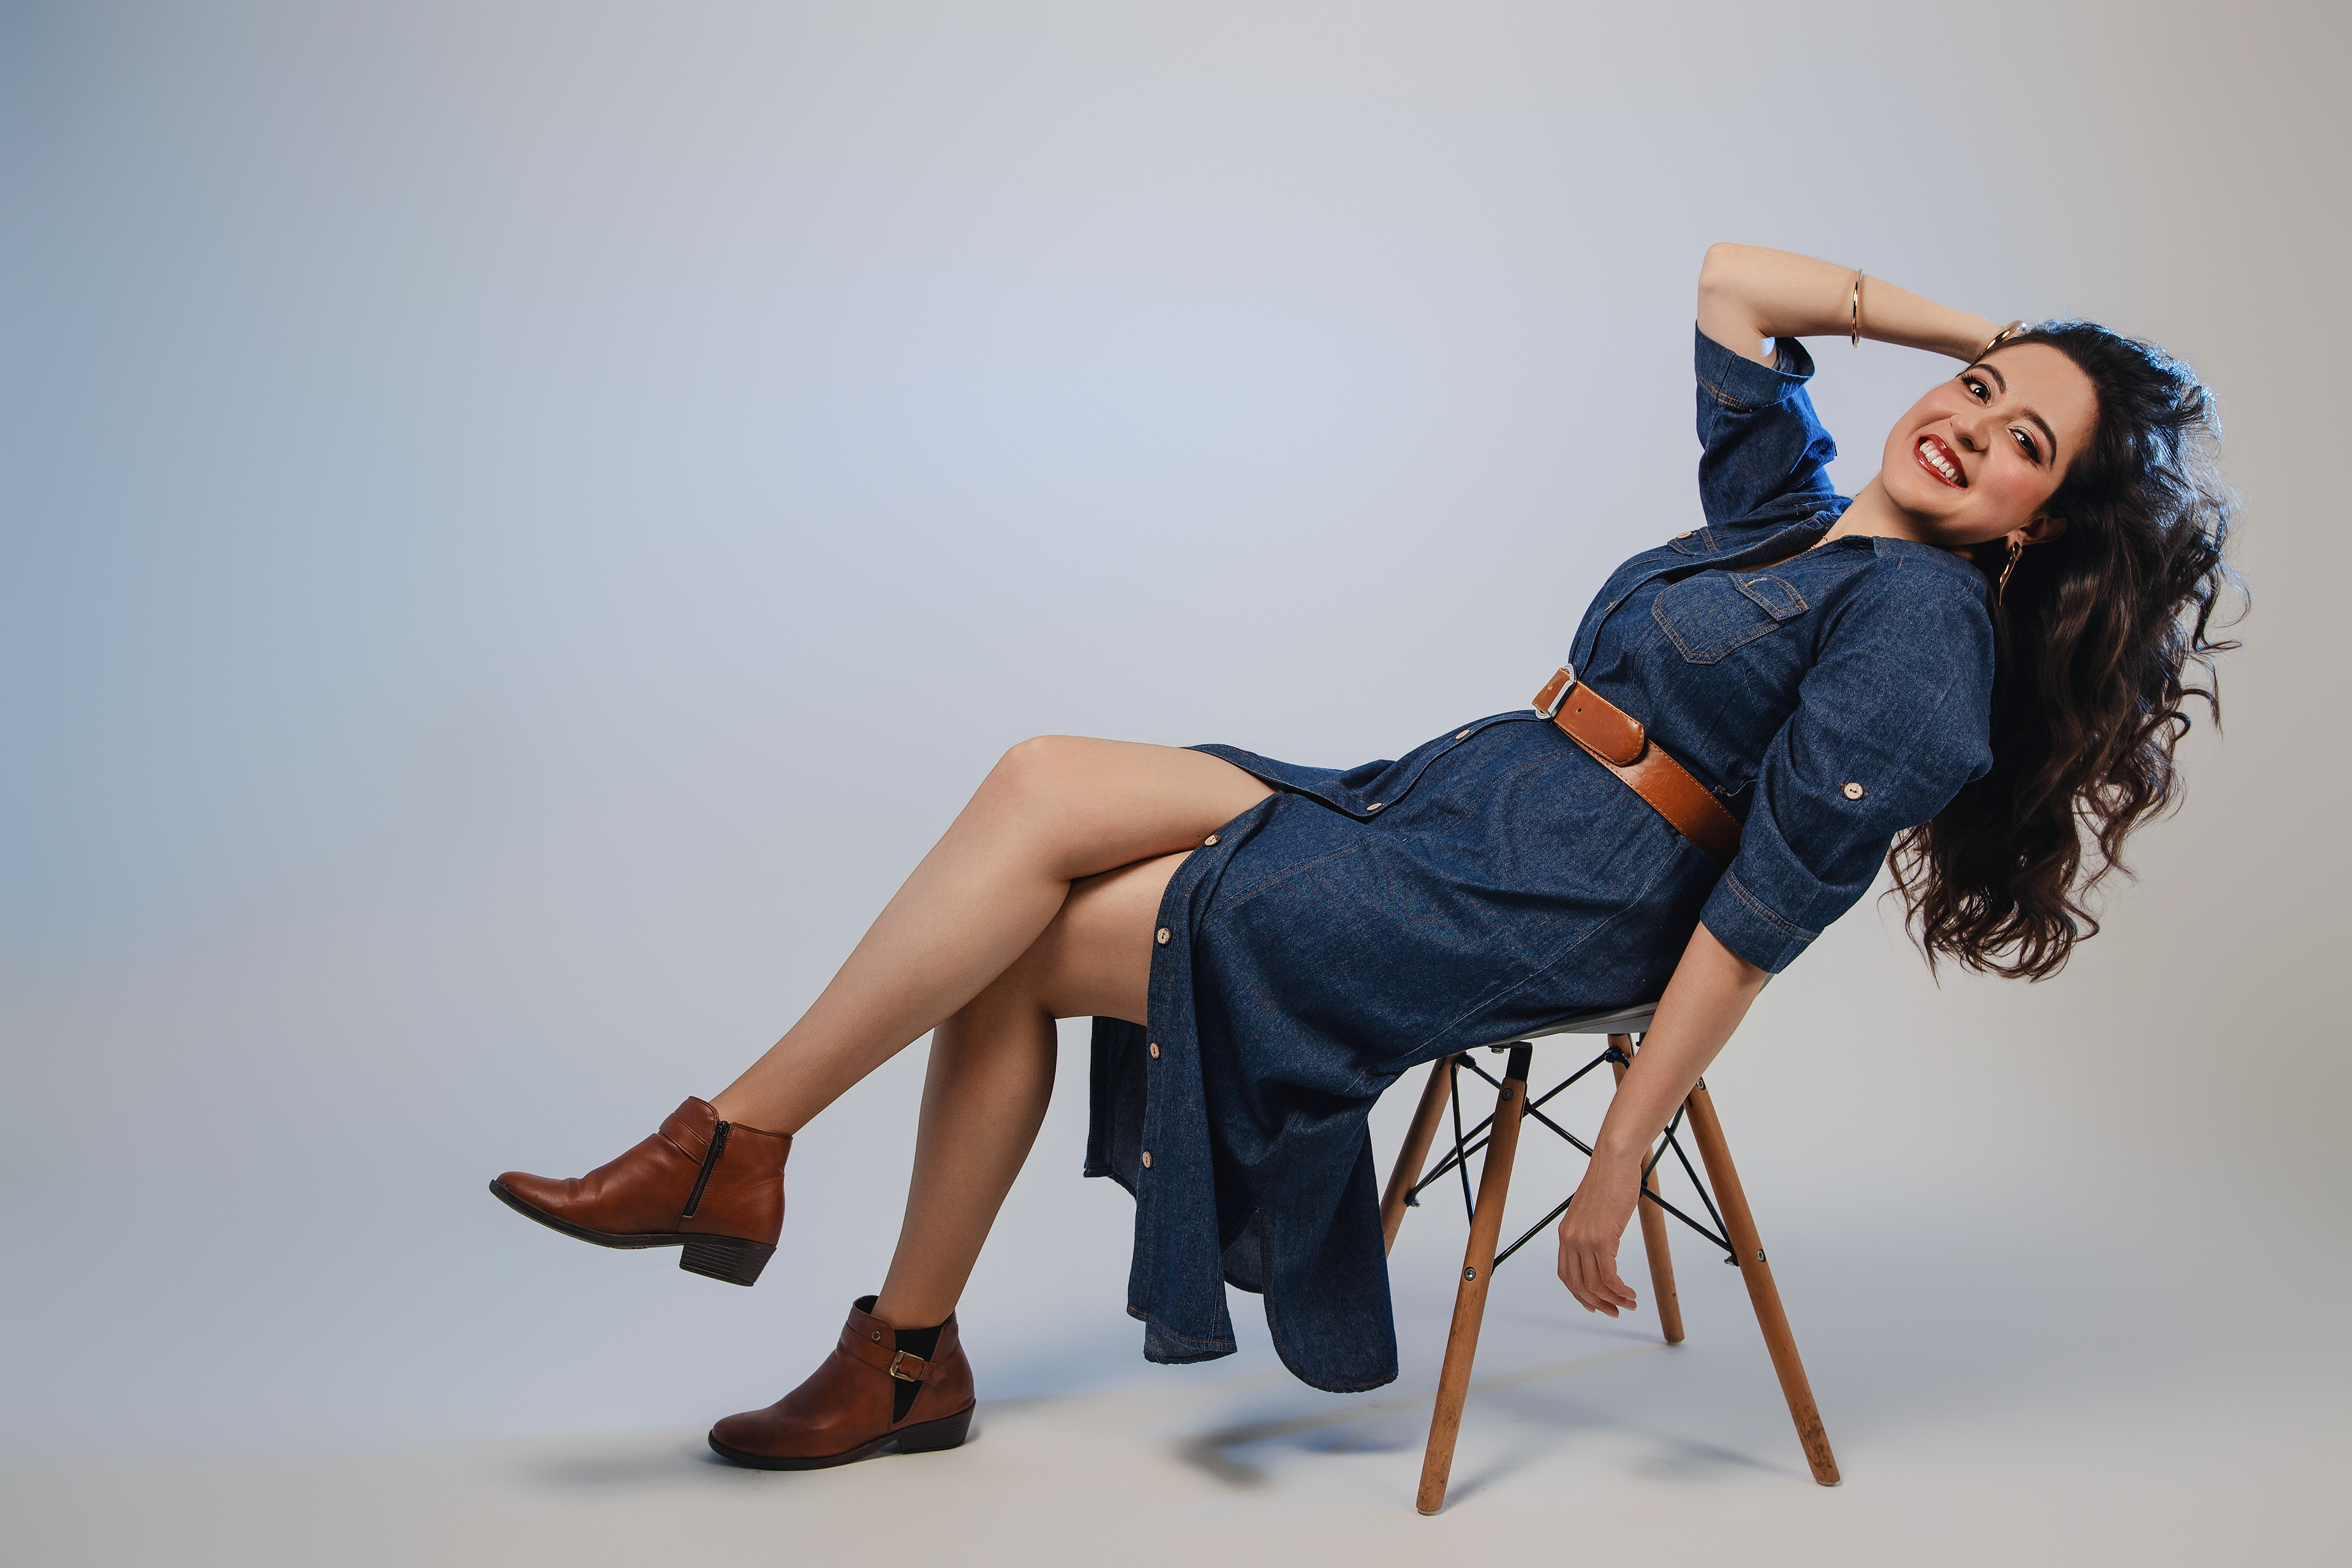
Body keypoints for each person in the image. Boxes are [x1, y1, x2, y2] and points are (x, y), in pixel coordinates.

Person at [488, 244, 2238, 1470]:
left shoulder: (1923, 627)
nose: (1971, 425)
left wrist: (1623, 1148)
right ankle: (757, 1170)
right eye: (1975, 392)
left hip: (1531, 900)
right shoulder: (1791, 518)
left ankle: (852, 1298)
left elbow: (1765, 911)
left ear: (2042, 528)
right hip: (1458, 804)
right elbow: (1733, 282)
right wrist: (2007, 333)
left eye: (2026, 445)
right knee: (1035, 784)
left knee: (1007, 944)